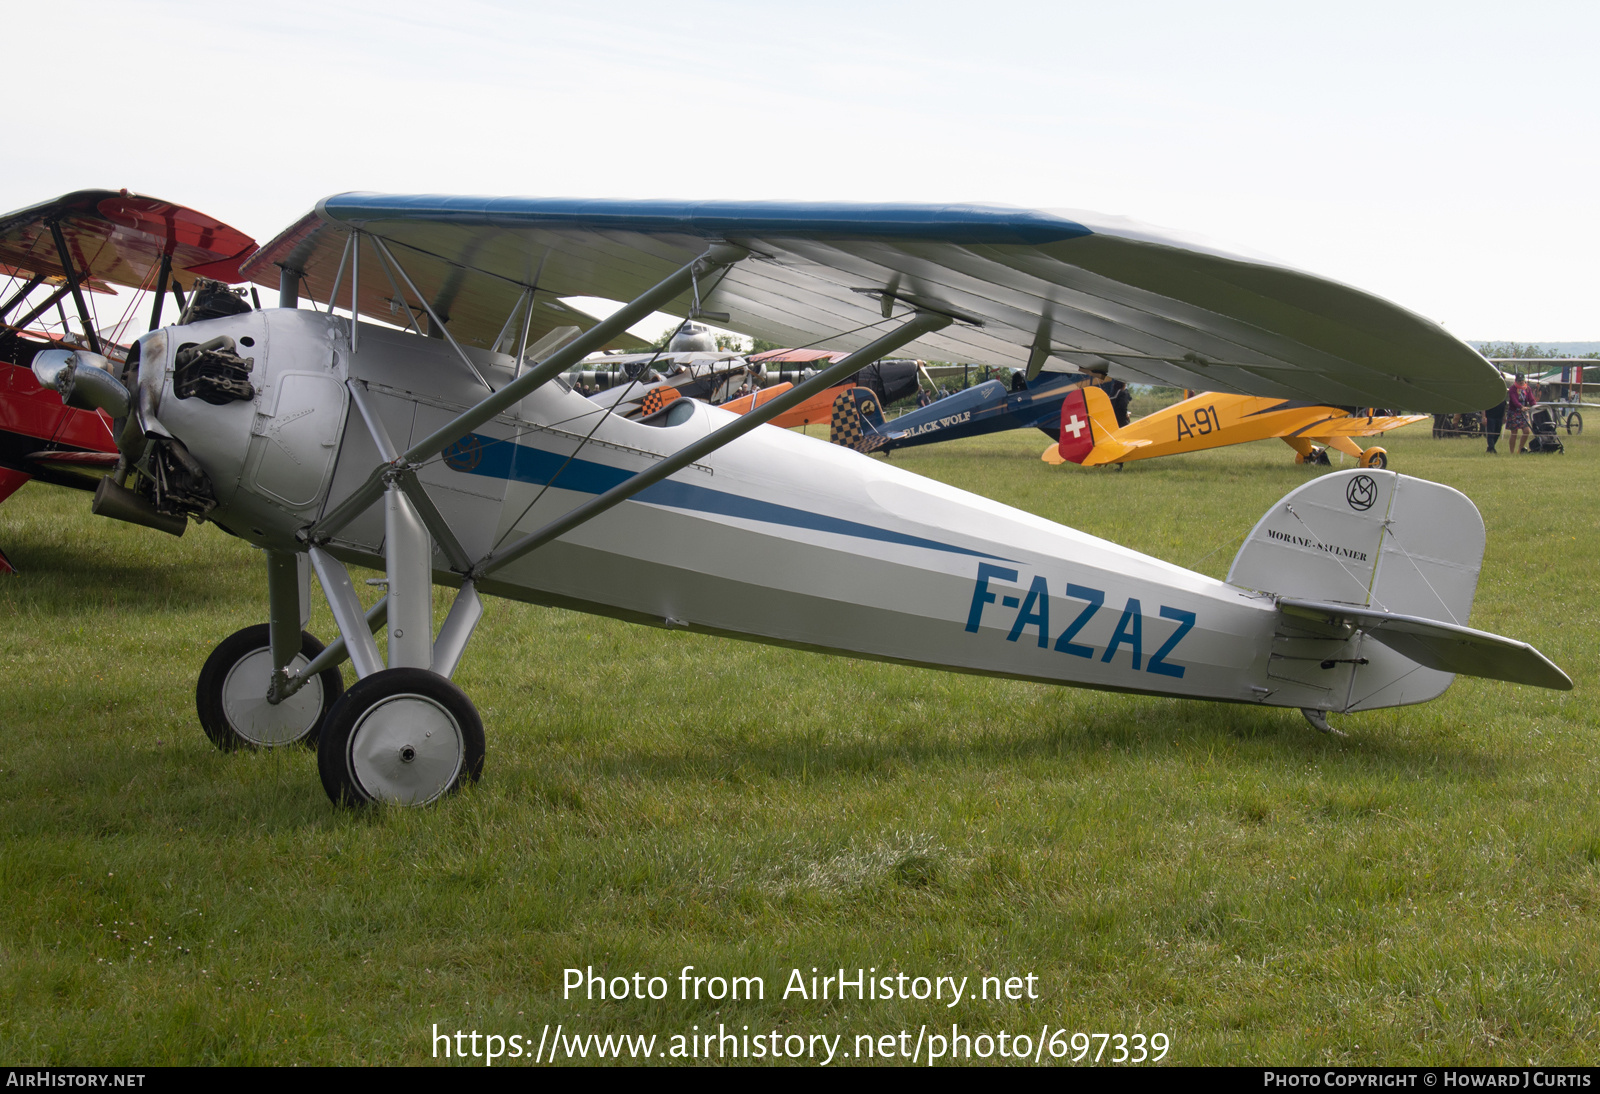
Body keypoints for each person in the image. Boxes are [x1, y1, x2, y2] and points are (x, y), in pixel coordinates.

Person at [1506, 373, 1538, 453]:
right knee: (1514, 433)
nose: (1521, 382)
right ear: (1516, 381)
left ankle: (1520, 449)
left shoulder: (1527, 389)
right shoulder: (1512, 389)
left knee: (1527, 431)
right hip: (1514, 412)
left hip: (1524, 412)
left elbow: (1531, 399)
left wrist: (1535, 406)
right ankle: (1512, 452)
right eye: (1519, 380)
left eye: (1522, 380)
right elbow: (1514, 400)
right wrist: (1521, 407)